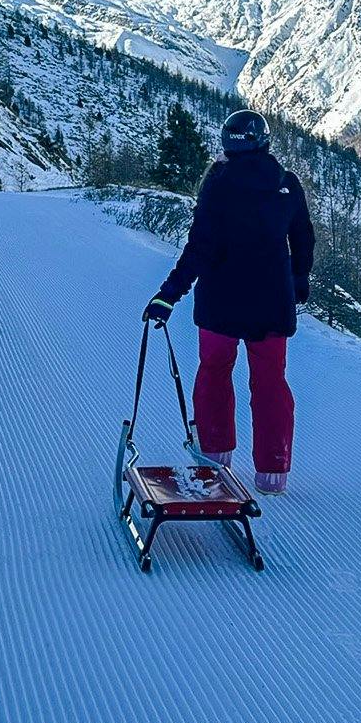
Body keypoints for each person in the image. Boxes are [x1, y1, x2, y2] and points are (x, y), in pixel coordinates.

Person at [143, 108, 314, 494]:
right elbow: (303, 239)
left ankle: (214, 458)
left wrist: (169, 295)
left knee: (215, 371)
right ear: (265, 143)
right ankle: (273, 472)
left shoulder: (217, 185)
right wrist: (298, 282)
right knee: (270, 381)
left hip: (221, 302)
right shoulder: (287, 184)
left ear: (227, 145)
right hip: (272, 303)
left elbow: (199, 248)